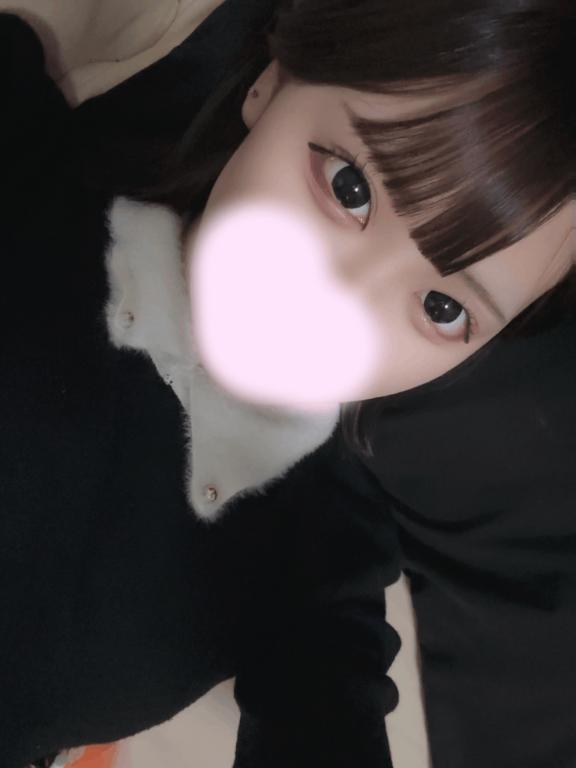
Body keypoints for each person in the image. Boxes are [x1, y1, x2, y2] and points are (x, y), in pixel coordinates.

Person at [1, 0, 575, 766]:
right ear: (269, 83)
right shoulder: (33, 171)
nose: (339, 306)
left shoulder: (322, 545)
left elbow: (325, 714)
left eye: (443, 309)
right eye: (349, 187)